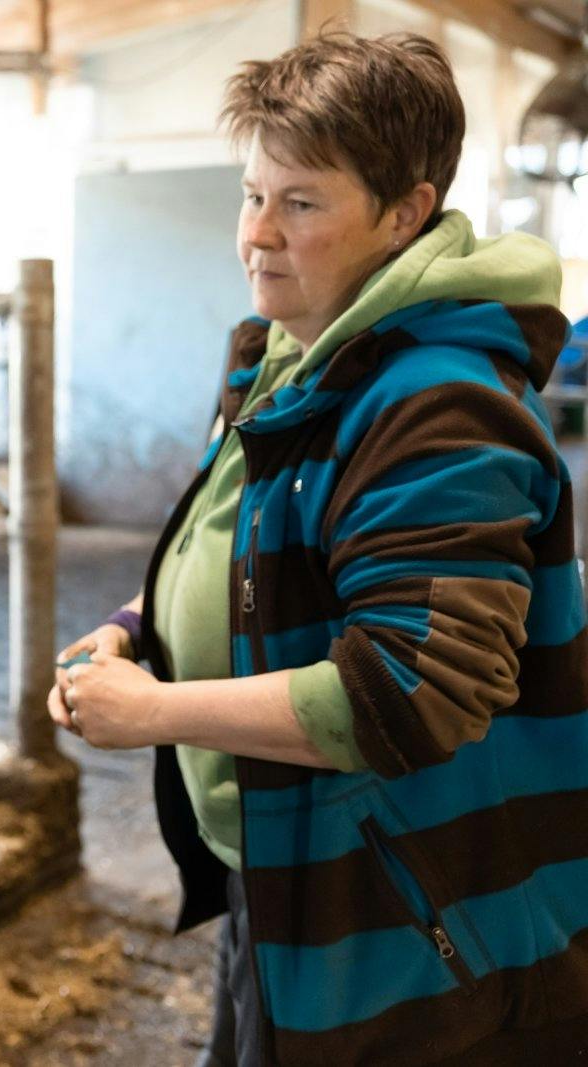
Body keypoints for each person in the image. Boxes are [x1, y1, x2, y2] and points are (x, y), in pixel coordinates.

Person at [49, 32, 588, 1066]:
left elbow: (412, 688)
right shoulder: (293, 350)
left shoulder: (438, 405)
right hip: (295, 857)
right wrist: (135, 629)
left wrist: (153, 713)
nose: (255, 234)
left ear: (404, 212)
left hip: (419, 920)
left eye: (300, 203)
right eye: (251, 193)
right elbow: (241, 554)